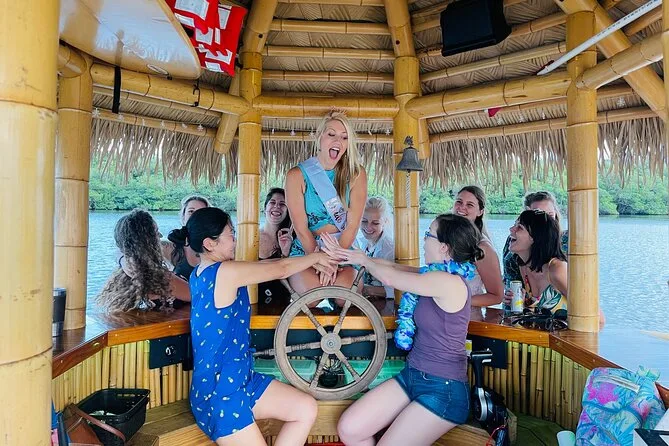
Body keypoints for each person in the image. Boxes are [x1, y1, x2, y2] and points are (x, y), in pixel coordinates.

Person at [169, 207, 336, 445]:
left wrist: (309, 258)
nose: (235, 240)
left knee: (304, 408)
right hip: (220, 394)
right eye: (231, 234)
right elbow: (280, 269)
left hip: (241, 380)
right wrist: (316, 257)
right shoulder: (223, 272)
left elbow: (276, 263)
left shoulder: (202, 272)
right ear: (209, 243)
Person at [323, 214, 483, 445]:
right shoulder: (432, 274)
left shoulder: (449, 282)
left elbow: (390, 278)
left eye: (428, 234)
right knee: (350, 429)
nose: (424, 239)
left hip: (443, 390)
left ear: (444, 247)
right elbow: (393, 267)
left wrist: (363, 260)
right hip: (412, 376)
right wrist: (351, 255)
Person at [285, 111, 367, 297]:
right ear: (319, 137)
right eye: (331, 134)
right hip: (307, 248)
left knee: (346, 296)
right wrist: (317, 259)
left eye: (344, 137)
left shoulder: (356, 174)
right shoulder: (296, 175)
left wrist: (333, 259)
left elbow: (352, 226)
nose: (338, 141)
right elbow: (300, 227)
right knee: (310, 295)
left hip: (343, 248)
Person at [97, 209, 191, 312]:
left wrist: (122, 259)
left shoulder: (126, 275)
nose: (160, 235)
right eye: (156, 232)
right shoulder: (162, 278)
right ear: (148, 241)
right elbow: (196, 296)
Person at [507, 209, 568, 313]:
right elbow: (537, 312)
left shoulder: (558, 269)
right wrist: (522, 303)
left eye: (520, 227)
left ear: (536, 237)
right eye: (514, 225)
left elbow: (592, 312)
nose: (511, 229)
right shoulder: (523, 266)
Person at [452, 186, 504, 307]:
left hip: (467, 314)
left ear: (480, 212)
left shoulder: (483, 247)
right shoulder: (444, 239)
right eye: (459, 202)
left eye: (469, 205)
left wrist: (453, 302)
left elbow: (496, 296)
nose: (462, 207)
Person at [503, 190, 568, 284]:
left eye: (549, 215)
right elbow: (508, 281)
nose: (544, 222)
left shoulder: (567, 243)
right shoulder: (515, 251)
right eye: (538, 214)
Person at [258, 188, 293, 307]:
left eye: (282, 204)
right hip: (252, 301)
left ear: (288, 211)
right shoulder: (250, 238)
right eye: (272, 202)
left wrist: (285, 252)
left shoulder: (292, 240)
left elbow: (293, 282)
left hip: (281, 303)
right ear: (265, 208)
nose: (277, 206)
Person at [164, 195, 211, 280]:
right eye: (191, 211)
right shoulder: (171, 246)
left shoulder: (219, 245)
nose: (196, 215)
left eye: (201, 212)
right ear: (183, 216)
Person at [358, 196, 395, 299]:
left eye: (375, 223)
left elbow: (395, 290)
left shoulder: (389, 250)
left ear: (385, 222)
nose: (368, 227)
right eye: (364, 221)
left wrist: (364, 290)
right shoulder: (365, 243)